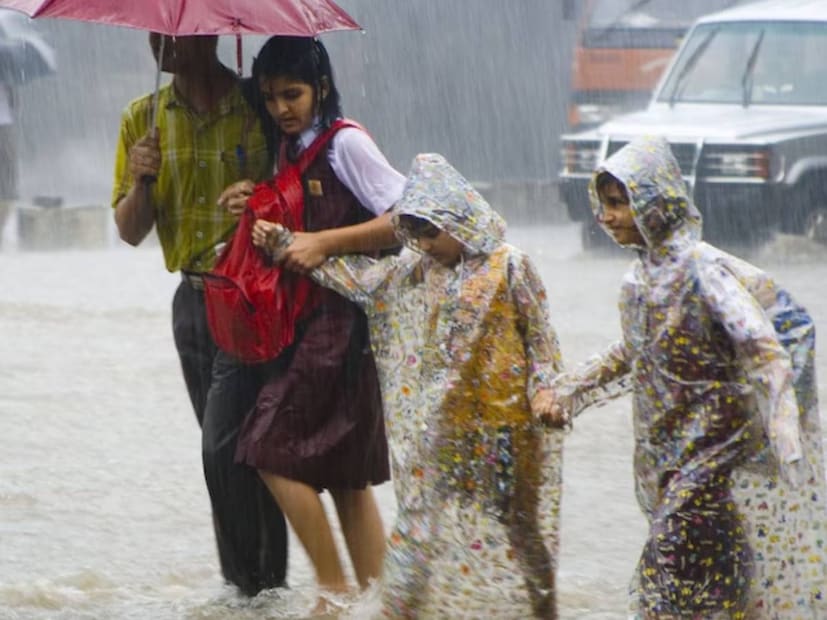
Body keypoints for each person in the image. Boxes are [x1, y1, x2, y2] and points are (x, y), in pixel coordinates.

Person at [254, 153, 567, 619]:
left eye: (430, 231)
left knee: (521, 532)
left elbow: (543, 345)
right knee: (416, 533)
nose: (423, 243)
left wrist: (546, 392)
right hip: (443, 432)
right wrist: (285, 246)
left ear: (457, 216)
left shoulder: (510, 266)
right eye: (414, 233)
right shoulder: (416, 272)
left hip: (506, 432)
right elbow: (358, 278)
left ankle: (545, 611)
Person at [548, 136, 827, 619]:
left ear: (655, 203)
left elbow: (764, 348)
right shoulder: (639, 279)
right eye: (604, 204)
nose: (606, 216)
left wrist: (786, 435)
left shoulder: (702, 269)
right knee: (714, 560)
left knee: (667, 557)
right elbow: (633, 353)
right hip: (668, 446)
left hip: (717, 443)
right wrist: (569, 390)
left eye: (620, 203)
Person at [214, 35, 403, 610]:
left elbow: (408, 218)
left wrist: (324, 242)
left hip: (342, 324)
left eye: (292, 94)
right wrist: (253, 205)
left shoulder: (347, 145)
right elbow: (294, 230)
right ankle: (379, 602)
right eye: (270, 97)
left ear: (321, 88)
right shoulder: (292, 147)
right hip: (307, 321)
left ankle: (333, 591)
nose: (281, 109)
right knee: (346, 477)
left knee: (266, 449)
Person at [110, 33, 288, 596]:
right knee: (230, 450)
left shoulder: (257, 106)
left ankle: (255, 588)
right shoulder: (144, 117)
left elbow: (296, 194)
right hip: (193, 301)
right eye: (153, 30)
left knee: (235, 447)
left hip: (256, 294)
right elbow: (130, 231)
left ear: (208, 33)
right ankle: (257, 588)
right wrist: (141, 179)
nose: (157, 43)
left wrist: (258, 198)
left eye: (171, 32)